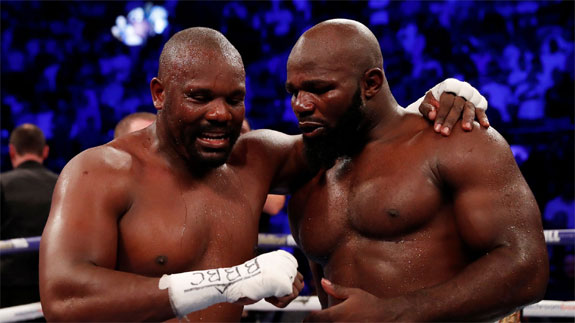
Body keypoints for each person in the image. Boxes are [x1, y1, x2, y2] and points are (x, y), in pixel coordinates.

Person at [39, 27, 486, 321]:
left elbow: (349, 135)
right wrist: (229, 282)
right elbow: (65, 297)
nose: (220, 114)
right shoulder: (99, 171)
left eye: (234, 99)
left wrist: (424, 105)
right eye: (199, 97)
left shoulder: (253, 159)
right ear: (160, 93)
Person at [285, 19, 549, 322]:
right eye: (293, 91)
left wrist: (394, 313)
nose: (301, 105)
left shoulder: (455, 142)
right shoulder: (307, 176)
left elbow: (527, 269)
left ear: (371, 83)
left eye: (319, 89)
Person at [1, 123, 59, 308]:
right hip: (55, 282)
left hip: (10, 287)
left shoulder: (2, 183)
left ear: (12, 151)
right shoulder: (64, 184)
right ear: (46, 151)